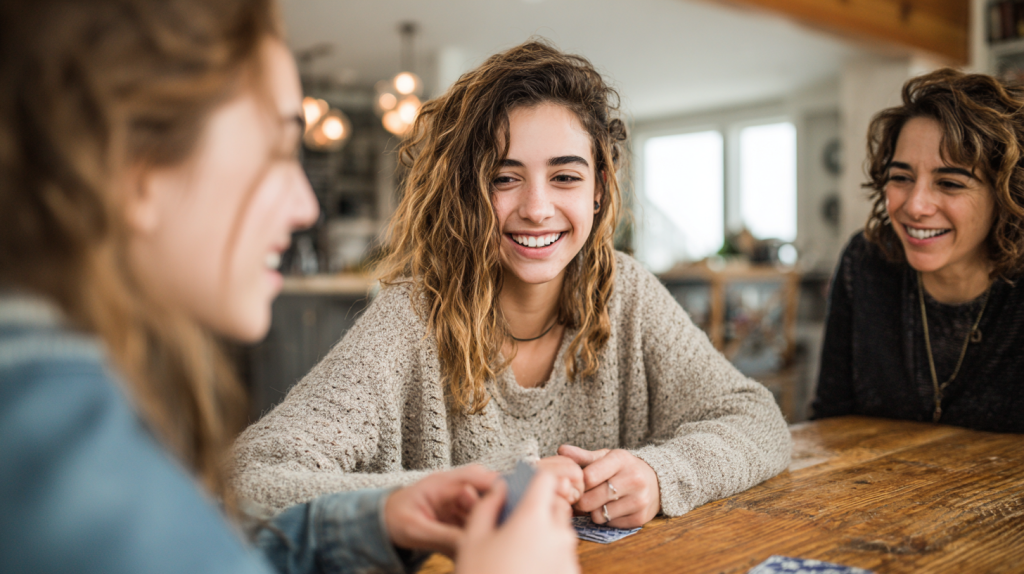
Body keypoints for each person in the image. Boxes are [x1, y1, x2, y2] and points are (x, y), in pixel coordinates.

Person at [0, 1, 579, 573]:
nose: (305, 205)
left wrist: (368, 520)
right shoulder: (67, 475)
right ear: (141, 166)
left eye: (566, 176)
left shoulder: (71, 413)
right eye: (276, 149)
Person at [232, 40, 792, 529]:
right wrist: (486, 491)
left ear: (598, 190)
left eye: (565, 176)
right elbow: (248, 481)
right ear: (468, 193)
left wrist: (659, 473)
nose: (537, 208)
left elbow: (757, 420)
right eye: (504, 178)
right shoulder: (411, 319)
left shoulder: (627, 292)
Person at [813, 68, 1024, 433]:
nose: (915, 205)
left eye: (950, 183)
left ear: (1004, 195)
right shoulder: (864, 262)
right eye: (901, 178)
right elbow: (830, 421)